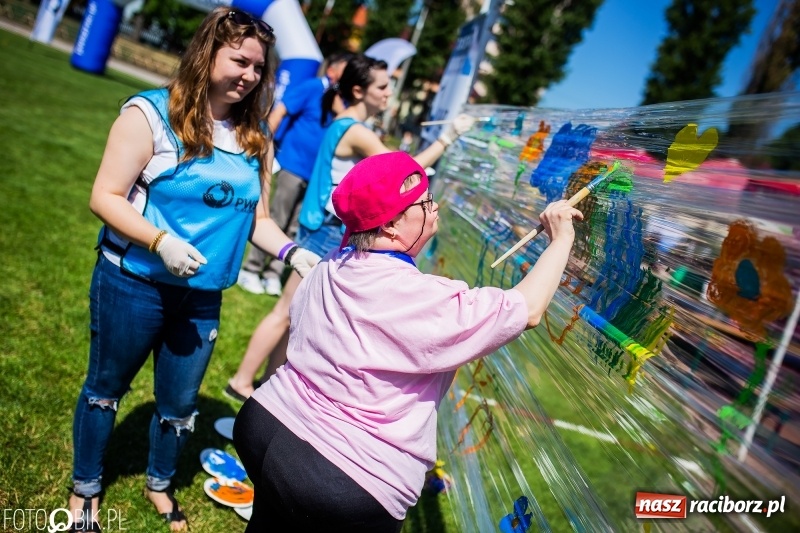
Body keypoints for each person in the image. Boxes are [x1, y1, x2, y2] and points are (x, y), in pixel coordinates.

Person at [233, 151, 583, 531]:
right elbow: (529, 309)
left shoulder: (333, 263)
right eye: (424, 203)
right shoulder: (418, 296)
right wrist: (561, 238)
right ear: (390, 228)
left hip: (265, 422)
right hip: (344, 474)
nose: (434, 209)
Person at [68, 8, 320, 532]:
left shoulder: (254, 138)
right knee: (104, 390)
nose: (250, 75)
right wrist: (160, 240)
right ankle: (85, 489)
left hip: (202, 297)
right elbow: (105, 195)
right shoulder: (149, 115)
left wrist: (294, 254)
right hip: (133, 282)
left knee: (179, 404)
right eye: (240, 61)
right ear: (208, 54)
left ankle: (160, 484)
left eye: (258, 67)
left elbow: (260, 221)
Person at [225, 54, 475, 400]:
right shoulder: (355, 130)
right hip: (326, 229)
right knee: (286, 311)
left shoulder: (349, 125)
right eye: (383, 86)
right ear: (359, 90)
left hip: (325, 227)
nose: (390, 93)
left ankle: (268, 384)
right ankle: (241, 381)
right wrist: (446, 140)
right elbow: (403, 175)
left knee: (298, 314)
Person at [237, 51, 353, 296]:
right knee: (276, 217)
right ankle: (251, 268)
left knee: (294, 227)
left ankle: (273, 274)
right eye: (345, 69)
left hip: (314, 175)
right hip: (293, 165)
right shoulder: (313, 87)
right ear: (333, 70)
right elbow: (281, 111)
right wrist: (264, 144)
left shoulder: (341, 102)